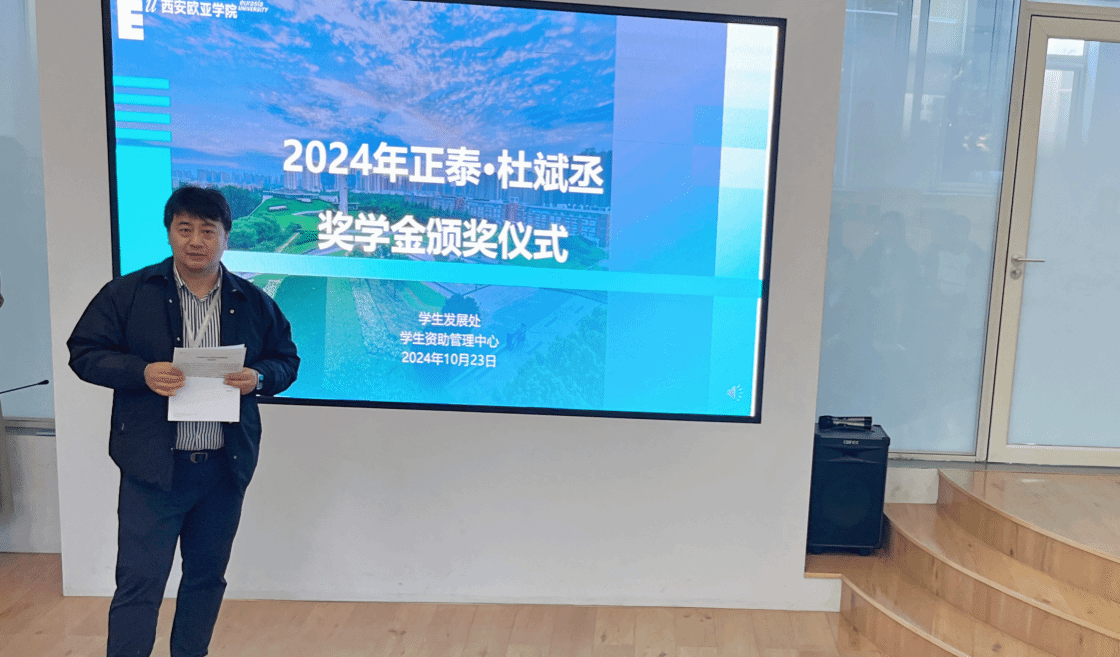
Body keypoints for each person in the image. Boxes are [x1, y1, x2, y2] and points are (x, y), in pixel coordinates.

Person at [67, 186, 299, 657]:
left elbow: (286, 361)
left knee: (206, 579)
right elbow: (84, 352)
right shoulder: (129, 293)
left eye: (208, 231)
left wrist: (258, 376)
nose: (196, 241)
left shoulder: (253, 301)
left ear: (225, 237)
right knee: (140, 581)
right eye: (185, 229)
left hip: (222, 469)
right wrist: (140, 372)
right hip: (153, 468)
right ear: (169, 233)